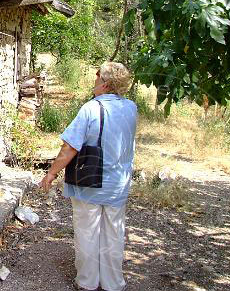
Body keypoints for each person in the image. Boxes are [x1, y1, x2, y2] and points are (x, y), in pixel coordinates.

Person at [39, 62, 137, 291]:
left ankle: (87, 282)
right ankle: (113, 283)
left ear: (104, 83)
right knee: (114, 231)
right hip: (118, 182)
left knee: (88, 230)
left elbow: (70, 147)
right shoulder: (131, 108)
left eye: (96, 76)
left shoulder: (91, 108)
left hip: (90, 181)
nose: (94, 79)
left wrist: (51, 173)